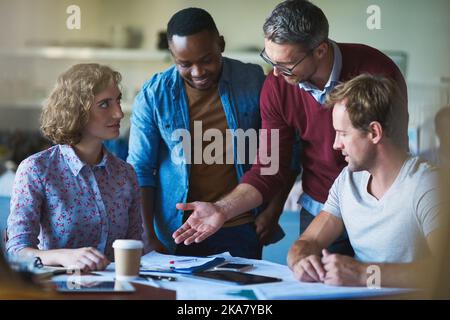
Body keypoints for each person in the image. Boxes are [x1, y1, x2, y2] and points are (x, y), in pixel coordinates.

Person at [172, 0, 408, 256]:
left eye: (286, 63)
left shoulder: (376, 72)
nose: (275, 73)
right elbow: (269, 168)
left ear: (319, 50)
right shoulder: (278, 86)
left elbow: (391, 155)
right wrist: (221, 209)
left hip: (379, 207)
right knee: (317, 285)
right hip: (321, 205)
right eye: (269, 59)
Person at [127, 7, 298, 259]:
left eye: (207, 60)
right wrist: (148, 237)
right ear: (172, 56)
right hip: (176, 230)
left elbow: (286, 153)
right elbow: (141, 169)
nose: (198, 72)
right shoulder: (154, 94)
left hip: (241, 225)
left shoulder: (254, 81)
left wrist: (272, 211)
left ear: (221, 44)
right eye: (185, 64)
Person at [286, 74, 441, 287]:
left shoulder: (428, 185)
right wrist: (301, 261)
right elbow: (307, 242)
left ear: (374, 132)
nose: (336, 145)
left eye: (342, 133)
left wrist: (364, 275)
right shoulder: (347, 181)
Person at [6, 63, 143, 272]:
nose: (119, 113)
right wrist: (63, 256)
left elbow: (135, 246)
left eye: (118, 101)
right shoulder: (36, 170)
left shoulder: (125, 174)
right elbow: (17, 251)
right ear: (77, 111)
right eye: (105, 104)